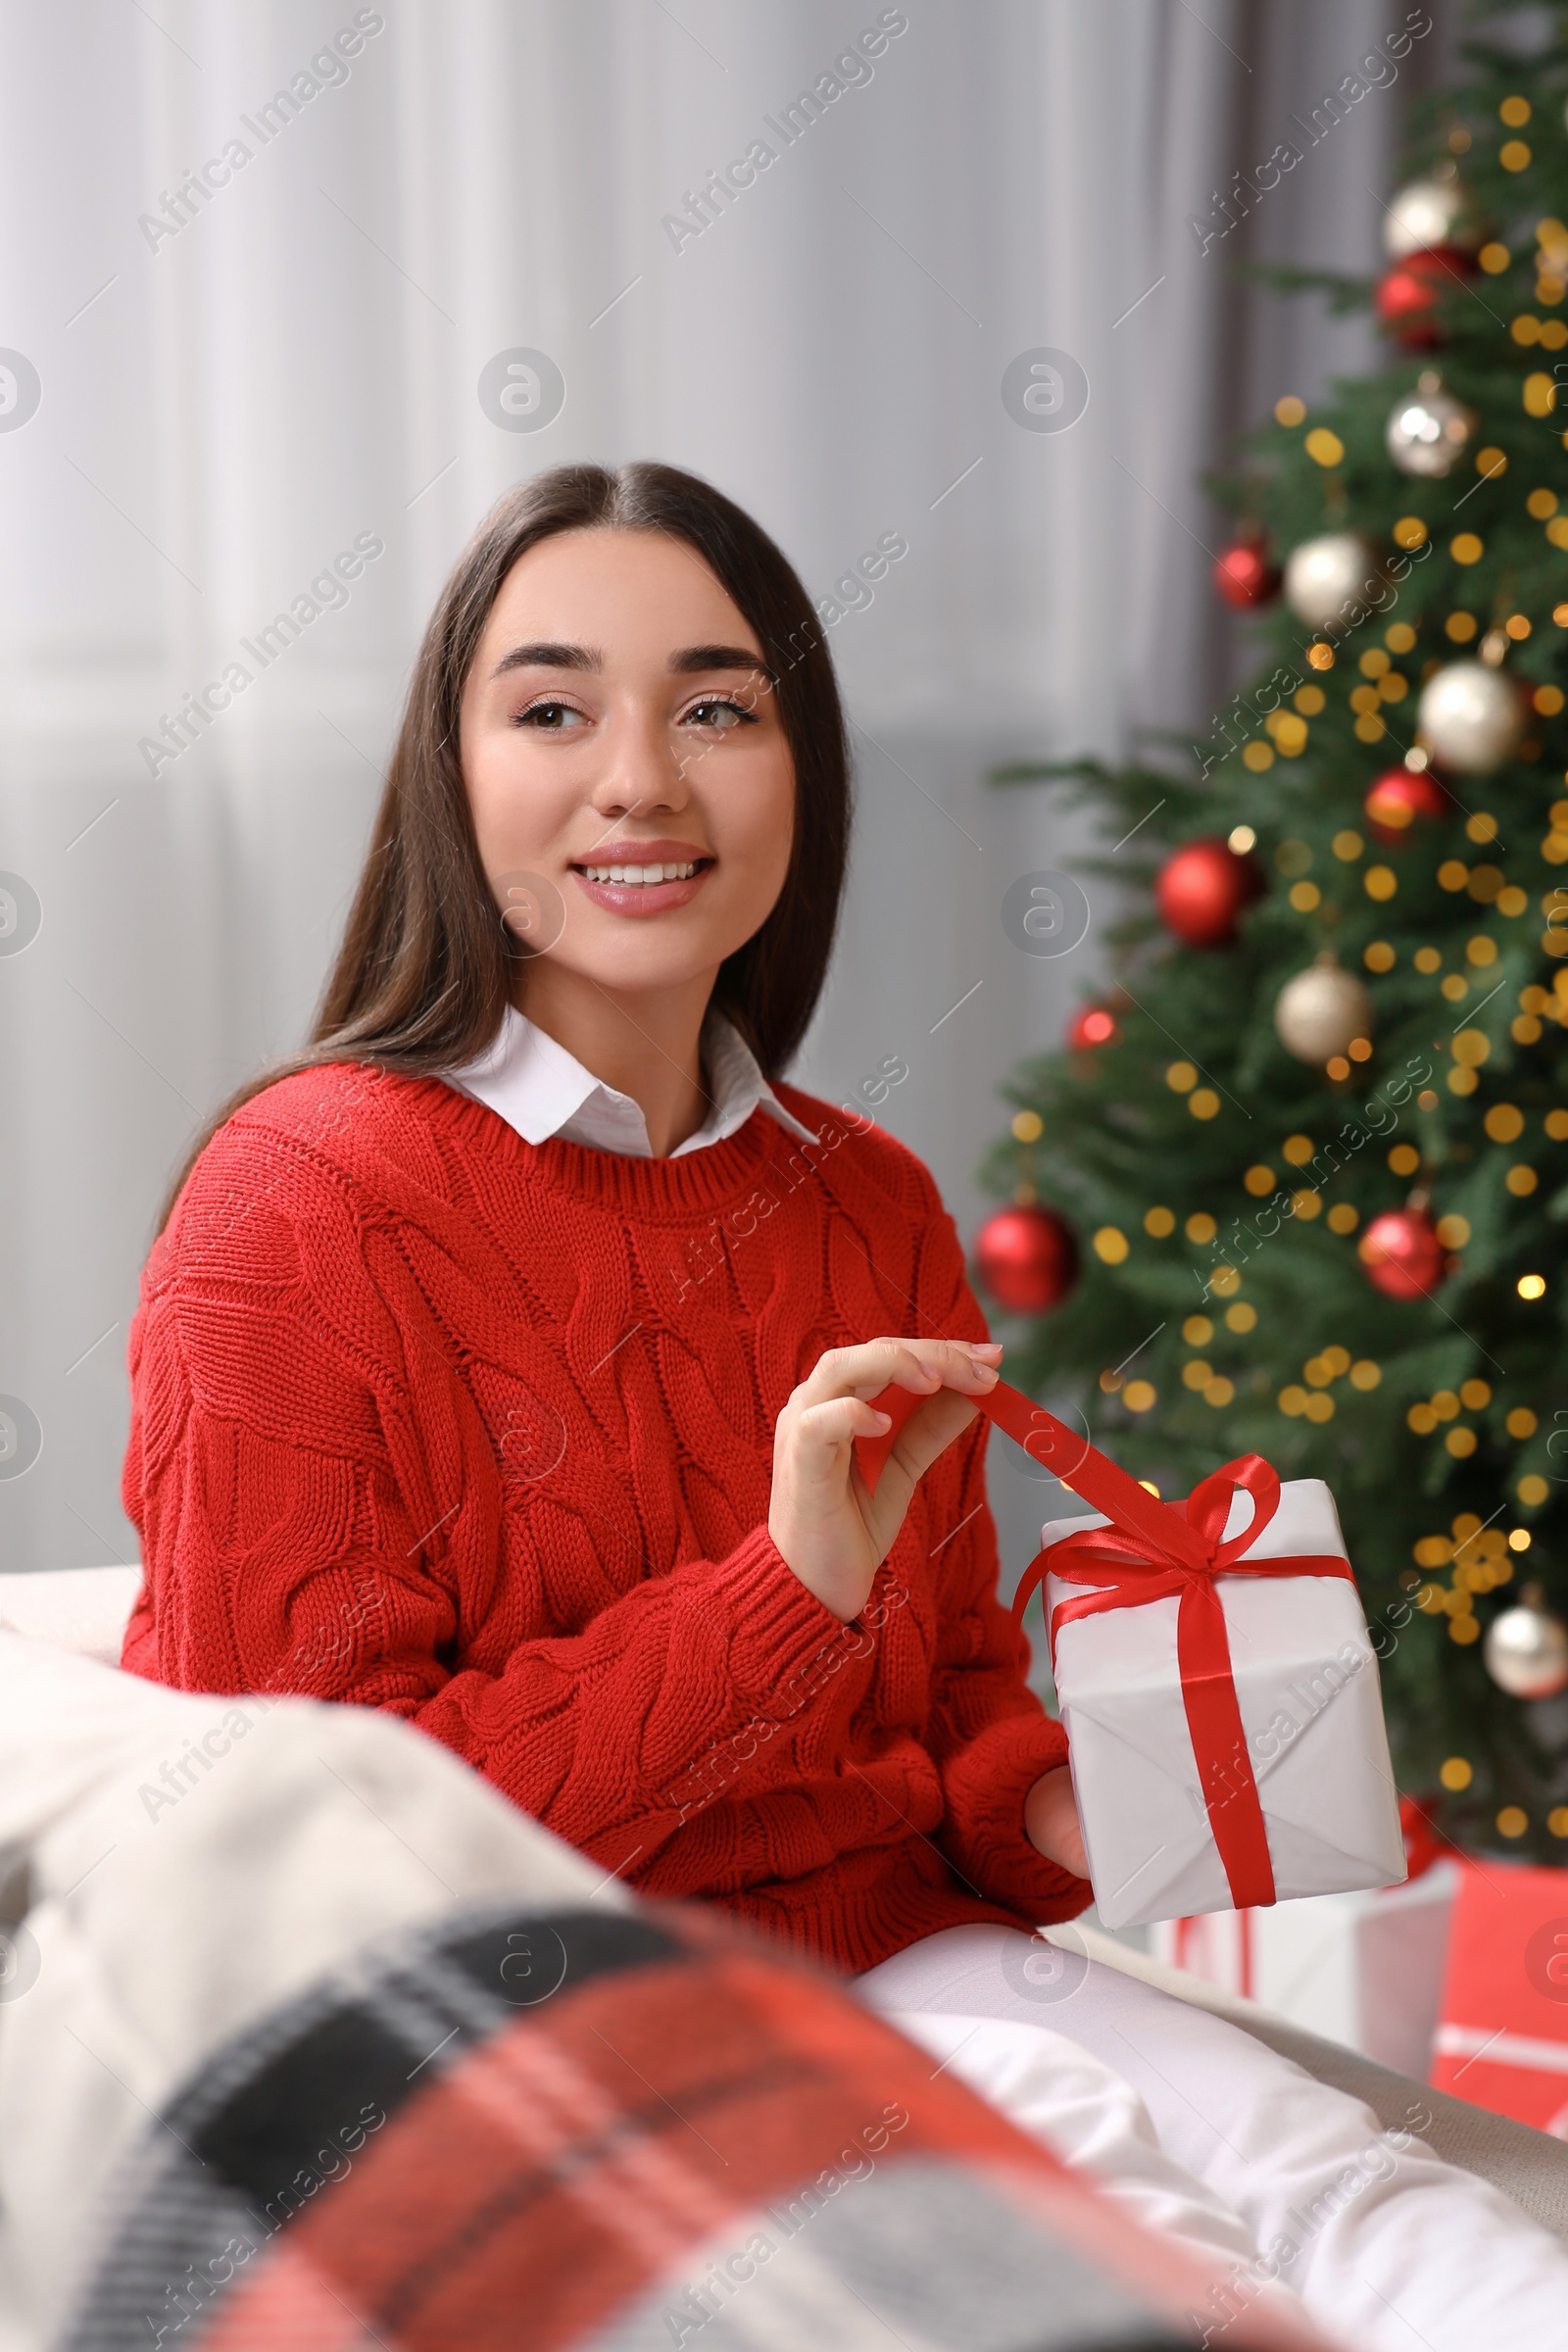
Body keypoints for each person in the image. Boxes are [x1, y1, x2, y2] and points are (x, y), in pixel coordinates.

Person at [121, 465, 1568, 2348]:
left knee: (1337, 2168)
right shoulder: (295, 1206)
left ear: (800, 773)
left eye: (716, 707)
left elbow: (943, 1727)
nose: (641, 777)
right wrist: (780, 1594)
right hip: (533, 2016)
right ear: (448, 780)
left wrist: (1095, 1798)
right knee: (1099, 2203)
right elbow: (311, 1873)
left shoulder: (862, 1199)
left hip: (901, 1955)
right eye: (553, 709)